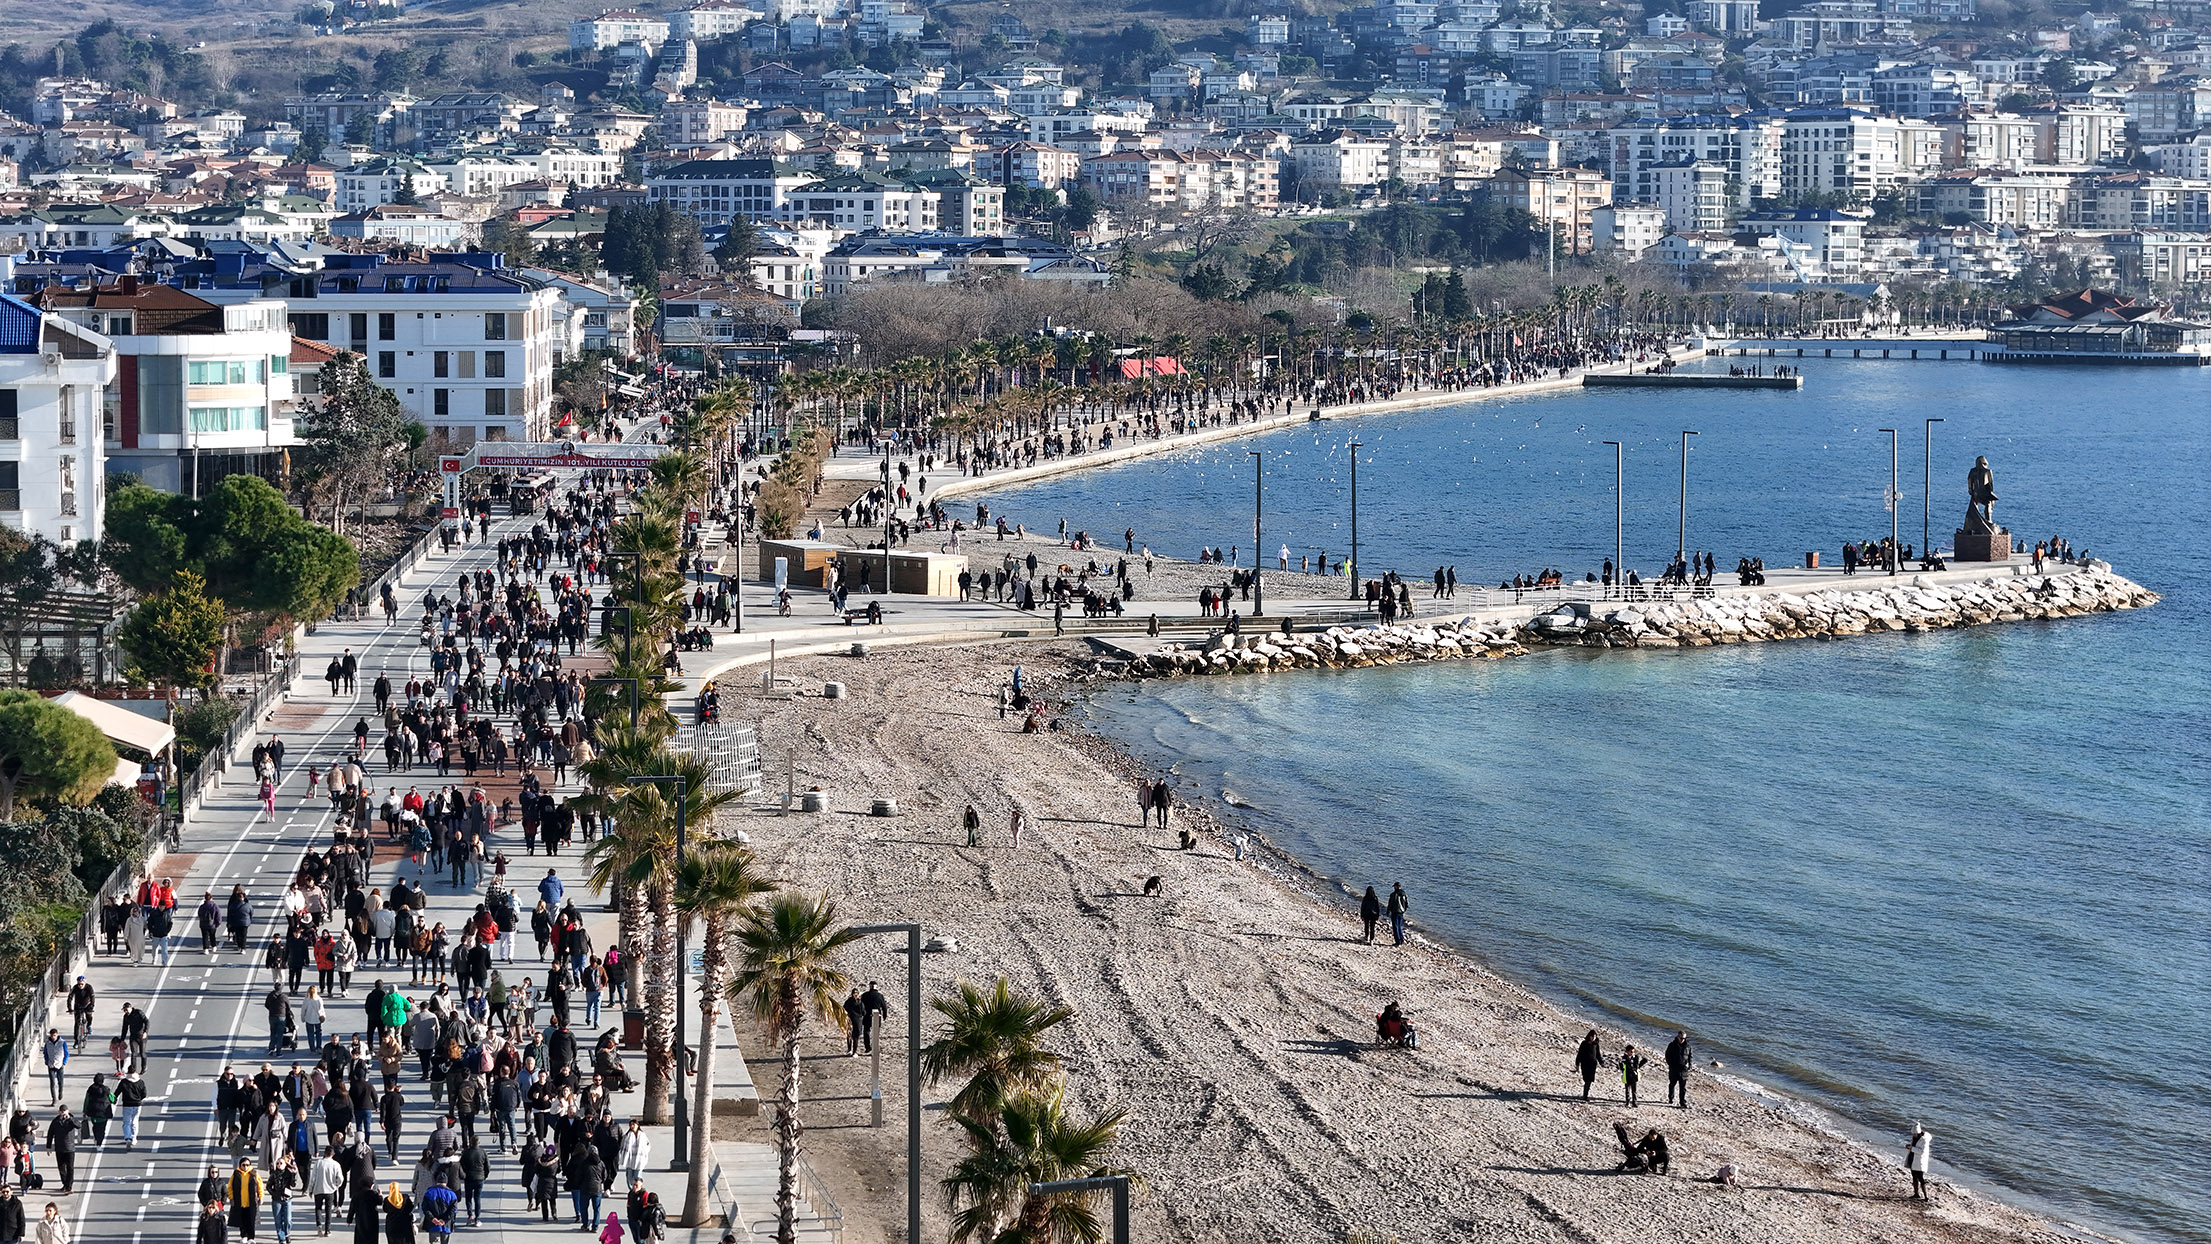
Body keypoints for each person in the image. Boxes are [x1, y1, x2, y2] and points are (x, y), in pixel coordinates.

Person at [310, 1147, 346, 1236]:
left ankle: (319, 1225)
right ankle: (327, 1230)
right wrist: (336, 1185)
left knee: (318, 1208)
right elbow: (341, 1178)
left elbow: (313, 1178)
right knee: (328, 1210)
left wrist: (310, 1189)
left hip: (318, 1189)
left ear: (324, 1153)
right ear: (333, 1154)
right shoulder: (336, 1164)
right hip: (330, 1190)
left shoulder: (318, 1163)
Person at [229, 1157, 266, 1241]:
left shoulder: (254, 1174)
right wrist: (231, 1197)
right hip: (240, 1201)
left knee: (251, 1220)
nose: (245, 1167)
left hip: (251, 1201)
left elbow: (260, 1186)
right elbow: (230, 1186)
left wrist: (261, 1197)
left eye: (247, 1165)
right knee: (241, 1220)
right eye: (243, 1165)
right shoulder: (236, 1174)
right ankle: (243, 1236)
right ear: (240, 1165)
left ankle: (251, 1237)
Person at [1905, 1123, 1934, 1200]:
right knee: (1914, 1177)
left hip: (1919, 1161)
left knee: (1921, 1178)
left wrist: (1911, 1148)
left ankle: (1926, 1196)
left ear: (1918, 1133)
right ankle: (1916, 1193)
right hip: (1913, 1159)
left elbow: (1922, 1151)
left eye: (1915, 1134)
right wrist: (1910, 1147)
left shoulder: (1924, 1140)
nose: (1913, 1135)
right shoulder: (1915, 1137)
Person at [1664, 1031, 1692, 1109]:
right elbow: (1667, 1055)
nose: (1682, 1040)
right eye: (1681, 1038)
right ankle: (1670, 1098)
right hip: (1674, 1069)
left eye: (1684, 1038)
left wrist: (1690, 1065)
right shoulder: (1672, 1045)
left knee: (1683, 1087)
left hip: (1684, 1070)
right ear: (1677, 1037)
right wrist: (1671, 1065)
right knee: (1672, 1084)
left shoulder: (1688, 1046)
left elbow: (1690, 1056)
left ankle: (1682, 1102)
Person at [1575, 1030, 1603, 1101]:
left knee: (1589, 1080)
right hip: (1584, 1064)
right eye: (1592, 1036)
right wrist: (1577, 1064)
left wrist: (1601, 1062)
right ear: (1589, 1036)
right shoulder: (1584, 1043)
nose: (1593, 1038)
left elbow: (1598, 1055)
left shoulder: (1596, 1044)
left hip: (1592, 1064)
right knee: (1585, 1079)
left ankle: (1585, 1096)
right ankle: (1585, 1094)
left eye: (1595, 1036)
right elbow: (1579, 1054)